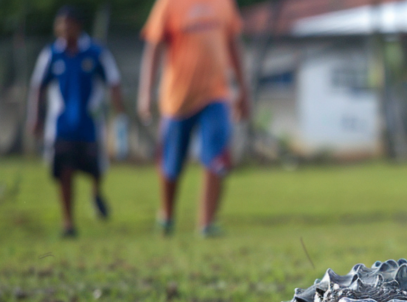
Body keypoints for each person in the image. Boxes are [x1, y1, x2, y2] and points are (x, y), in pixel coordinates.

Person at [138, 0, 250, 237]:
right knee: (171, 163)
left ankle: (207, 223)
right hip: (178, 98)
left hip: (217, 94)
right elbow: (153, 47)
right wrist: (145, 93)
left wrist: (243, 90)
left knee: (217, 159)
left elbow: (233, 45)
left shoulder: (224, 4)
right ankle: (167, 216)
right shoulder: (168, 4)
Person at [27, 6, 124, 238]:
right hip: (61, 126)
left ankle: (95, 192)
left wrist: (119, 114)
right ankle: (68, 222)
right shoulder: (51, 54)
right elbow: (38, 86)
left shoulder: (95, 52)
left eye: (68, 23)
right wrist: (36, 117)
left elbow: (113, 82)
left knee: (96, 168)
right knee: (65, 171)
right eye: (60, 23)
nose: (63, 28)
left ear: (78, 25)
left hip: (90, 124)